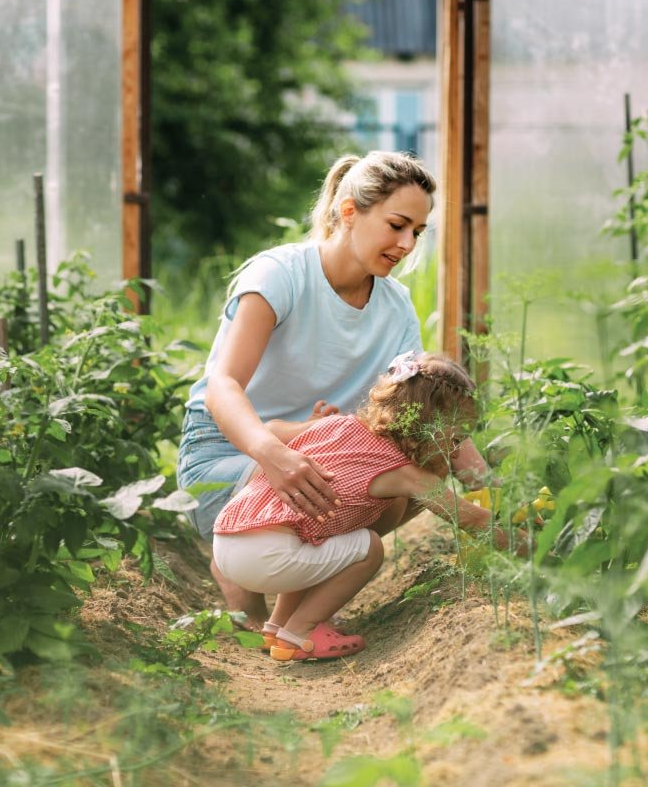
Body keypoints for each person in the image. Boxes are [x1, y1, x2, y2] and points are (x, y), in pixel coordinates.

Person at [176, 151, 489, 629]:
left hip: (319, 458)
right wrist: (271, 456)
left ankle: (291, 611)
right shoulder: (279, 276)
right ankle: (239, 557)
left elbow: (424, 407)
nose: (407, 244)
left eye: (417, 233)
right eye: (397, 225)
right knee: (366, 484)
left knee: (402, 481)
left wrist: (488, 488)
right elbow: (223, 386)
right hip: (229, 451)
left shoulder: (396, 306)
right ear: (349, 212)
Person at [212, 351, 496, 660]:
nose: (455, 452)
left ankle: (278, 626)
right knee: (368, 548)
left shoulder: (338, 426)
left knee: (320, 533)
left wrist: (310, 428)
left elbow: (270, 432)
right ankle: (302, 631)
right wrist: (527, 542)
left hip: (229, 536)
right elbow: (473, 520)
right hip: (266, 556)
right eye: (455, 439)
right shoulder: (405, 475)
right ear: (431, 429)